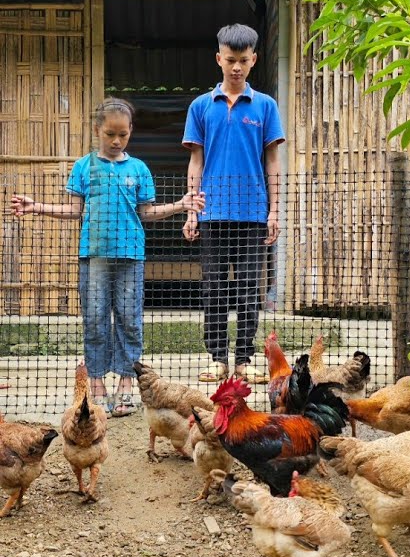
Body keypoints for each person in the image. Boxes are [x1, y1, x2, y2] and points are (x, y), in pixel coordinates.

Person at [10, 99, 205, 416]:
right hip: (94, 257)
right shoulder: (84, 167)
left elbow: (147, 213)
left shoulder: (138, 169)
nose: (116, 141)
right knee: (95, 320)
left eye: (123, 135)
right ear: (98, 129)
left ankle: (127, 385)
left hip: (130, 256)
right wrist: (37, 207)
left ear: (130, 133)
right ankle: (97, 384)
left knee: (129, 320)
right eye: (110, 134)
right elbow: (74, 210)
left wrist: (181, 205)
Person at [183, 23, 285, 384]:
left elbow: (272, 161)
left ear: (254, 59)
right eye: (230, 60)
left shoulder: (265, 106)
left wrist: (274, 211)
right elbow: (195, 160)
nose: (236, 67)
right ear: (219, 59)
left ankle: (243, 358)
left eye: (243, 60)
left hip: (253, 214)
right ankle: (216, 358)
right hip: (211, 212)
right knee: (213, 286)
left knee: (246, 289)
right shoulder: (201, 106)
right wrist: (193, 210)